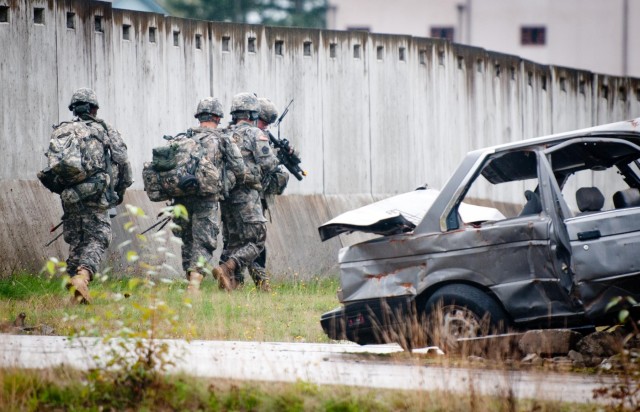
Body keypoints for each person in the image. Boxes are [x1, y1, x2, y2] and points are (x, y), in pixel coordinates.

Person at [54, 88, 132, 303]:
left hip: (70, 196)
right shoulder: (105, 130)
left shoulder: (63, 131)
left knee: (77, 241)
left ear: (73, 108)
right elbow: (122, 160)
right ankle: (83, 276)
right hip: (97, 195)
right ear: (94, 108)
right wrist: (120, 190)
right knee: (97, 237)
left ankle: (75, 296)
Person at [172, 97, 246, 292]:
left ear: (199, 117)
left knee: (187, 239)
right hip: (207, 199)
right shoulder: (222, 139)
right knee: (204, 241)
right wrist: (226, 180)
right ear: (218, 117)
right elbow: (240, 168)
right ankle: (194, 284)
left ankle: (190, 278)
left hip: (181, 198)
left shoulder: (183, 138)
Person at [213, 93, 279, 291]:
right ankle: (228, 268)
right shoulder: (255, 134)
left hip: (226, 196)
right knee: (257, 240)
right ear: (252, 114)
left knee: (233, 241)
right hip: (248, 195)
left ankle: (230, 286)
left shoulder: (224, 133)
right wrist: (276, 160)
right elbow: (267, 162)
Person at [248, 97, 290, 286]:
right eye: (264, 122)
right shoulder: (248, 135)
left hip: (259, 197)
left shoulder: (262, 136)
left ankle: (253, 280)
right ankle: (238, 278)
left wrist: (285, 152)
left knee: (257, 239)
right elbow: (265, 162)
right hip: (248, 196)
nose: (266, 127)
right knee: (245, 240)